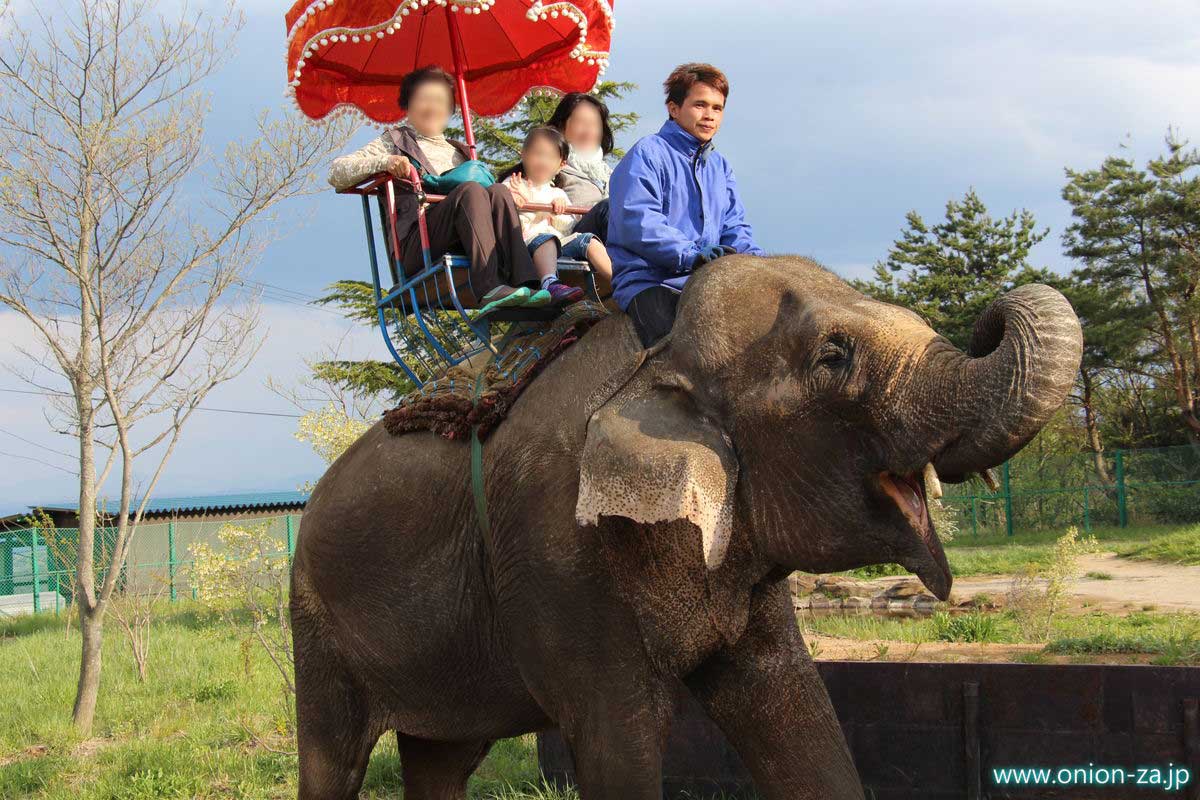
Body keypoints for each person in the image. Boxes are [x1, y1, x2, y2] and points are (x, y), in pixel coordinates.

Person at [327, 65, 549, 313]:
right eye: (424, 99)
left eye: (440, 101)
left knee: (498, 191)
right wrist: (386, 162)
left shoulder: (461, 152)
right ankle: (489, 287)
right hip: (418, 242)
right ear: (408, 105)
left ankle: (526, 283)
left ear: (450, 109)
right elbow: (337, 172)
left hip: (468, 239)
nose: (432, 107)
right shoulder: (395, 141)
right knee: (471, 191)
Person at [607, 63, 765, 347]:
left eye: (717, 108)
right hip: (651, 281)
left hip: (708, 282)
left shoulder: (720, 166)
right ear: (674, 108)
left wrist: (759, 264)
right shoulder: (648, 153)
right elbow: (639, 221)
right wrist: (692, 255)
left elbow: (734, 227)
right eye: (700, 105)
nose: (709, 116)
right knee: (682, 352)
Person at [501, 127, 613, 303]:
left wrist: (558, 213)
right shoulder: (513, 184)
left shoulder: (557, 193)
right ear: (524, 154)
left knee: (588, 239)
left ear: (561, 165)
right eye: (538, 154)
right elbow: (513, 224)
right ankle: (549, 282)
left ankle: (617, 279)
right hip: (526, 246)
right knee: (546, 239)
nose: (543, 162)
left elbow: (567, 228)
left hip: (560, 245)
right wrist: (528, 204)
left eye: (551, 157)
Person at [546, 92, 614, 243]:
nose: (589, 131)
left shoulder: (611, 174)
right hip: (574, 239)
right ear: (561, 127)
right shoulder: (551, 170)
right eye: (581, 123)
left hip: (612, 238)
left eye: (595, 125)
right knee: (609, 207)